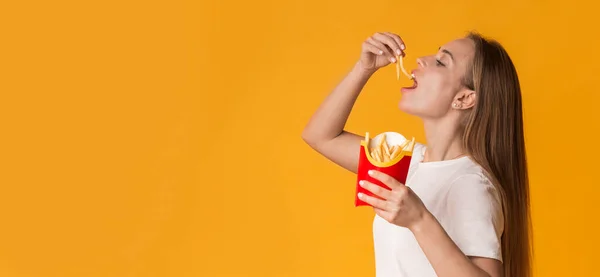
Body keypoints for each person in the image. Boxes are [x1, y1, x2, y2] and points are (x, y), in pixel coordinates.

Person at [301, 31, 532, 277]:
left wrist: (419, 220)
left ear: (464, 98)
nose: (422, 59)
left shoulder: (470, 183)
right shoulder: (408, 162)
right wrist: (363, 68)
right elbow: (321, 136)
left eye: (442, 61)